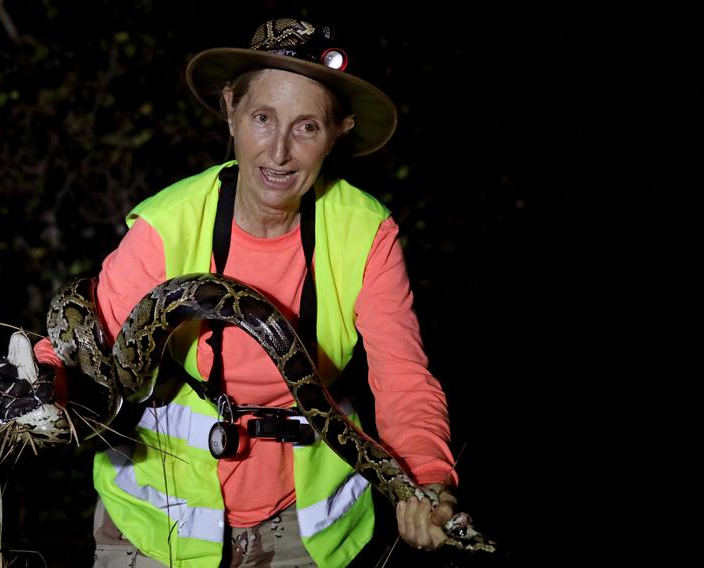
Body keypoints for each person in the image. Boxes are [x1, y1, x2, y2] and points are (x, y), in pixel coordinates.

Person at [33, 17, 460, 568]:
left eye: (307, 127)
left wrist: (428, 483)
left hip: (305, 531)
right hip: (159, 525)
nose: (278, 152)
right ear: (231, 109)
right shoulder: (169, 224)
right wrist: (37, 381)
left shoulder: (365, 233)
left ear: (338, 133)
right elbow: (82, 336)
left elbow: (403, 378)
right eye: (263, 118)